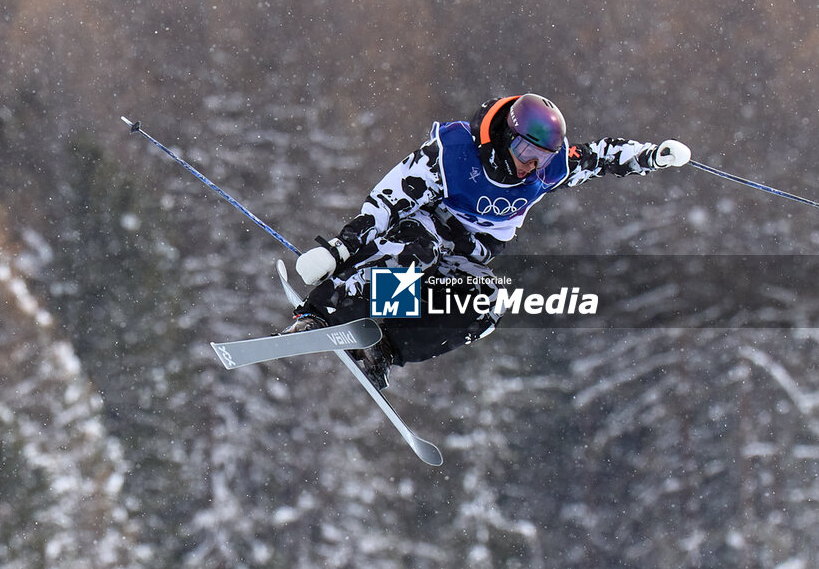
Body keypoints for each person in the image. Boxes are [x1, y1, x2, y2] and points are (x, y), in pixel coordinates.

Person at [286, 93, 690, 389]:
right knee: (418, 256)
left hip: (464, 257)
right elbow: (386, 203)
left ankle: (385, 347)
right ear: (507, 137)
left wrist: (652, 156)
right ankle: (325, 313)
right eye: (525, 150)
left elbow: (600, 157)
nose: (530, 165)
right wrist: (338, 250)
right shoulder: (452, 153)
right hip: (423, 231)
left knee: (486, 304)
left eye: (542, 158)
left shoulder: (545, 173)